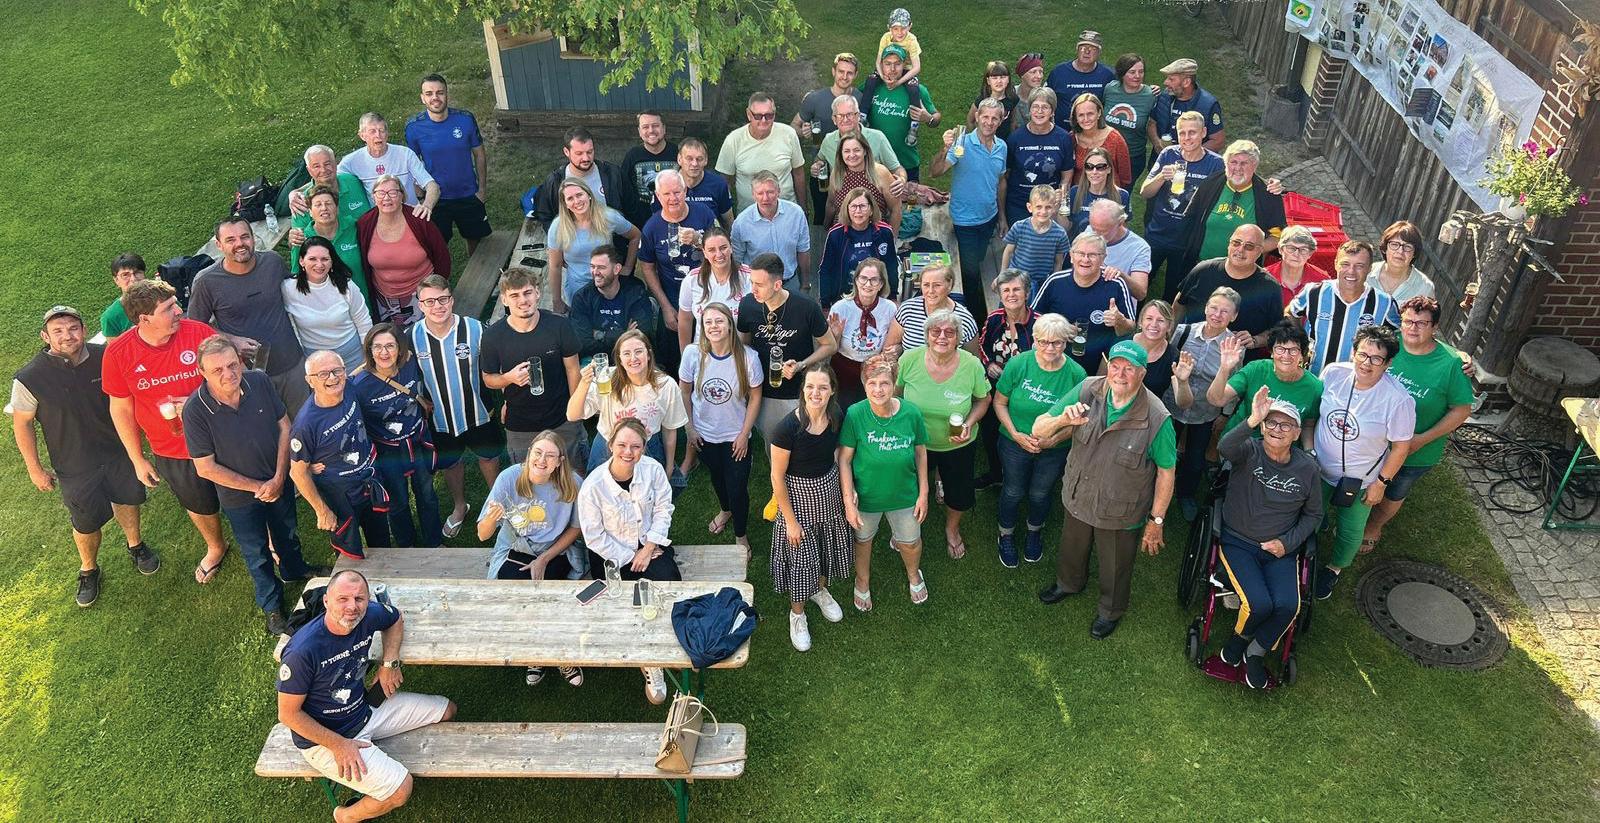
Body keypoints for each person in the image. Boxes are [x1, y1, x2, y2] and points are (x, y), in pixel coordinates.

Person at [276, 569, 457, 823]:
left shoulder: (368, 614)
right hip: (327, 740)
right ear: (326, 601)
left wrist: (390, 662)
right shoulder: (302, 652)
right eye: (342, 599)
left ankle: (371, 752)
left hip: (363, 709)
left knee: (447, 710)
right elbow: (288, 714)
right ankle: (345, 816)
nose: (352, 607)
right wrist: (339, 745)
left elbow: (395, 618)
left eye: (359, 599)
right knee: (401, 789)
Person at [12, 305, 157, 607]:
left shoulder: (106, 357)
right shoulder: (30, 377)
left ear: (83, 329)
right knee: (86, 521)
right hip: (74, 464)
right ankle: (89, 569)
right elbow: (22, 423)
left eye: (73, 328)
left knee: (128, 499)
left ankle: (136, 545)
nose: (67, 336)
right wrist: (34, 468)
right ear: (45, 336)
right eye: (58, 331)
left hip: (118, 452)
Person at [1034, 340, 1176, 639]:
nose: (1120, 374)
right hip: (1080, 494)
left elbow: (1166, 471)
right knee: (1072, 546)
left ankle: (1111, 610)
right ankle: (1069, 583)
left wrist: (1156, 520)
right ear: (1107, 365)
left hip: (1121, 509)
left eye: (1129, 369)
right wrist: (1062, 420)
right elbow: (1039, 428)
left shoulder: (1157, 417)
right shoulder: (1088, 388)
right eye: (1115, 366)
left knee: (1115, 564)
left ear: (1142, 373)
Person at [185, 335, 323, 635]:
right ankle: (272, 605)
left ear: (240, 361)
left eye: (232, 365)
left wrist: (279, 477)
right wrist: (259, 487)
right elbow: (205, 467)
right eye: (218, 370)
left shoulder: (259, 382)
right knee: (256, 552)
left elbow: (284, 426)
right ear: (202, 372)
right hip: (240, 498)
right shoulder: (195, 410)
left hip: (277, 480)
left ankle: (294, 569)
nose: (229, 374)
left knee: (287, 531)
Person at [102, 280, 227, 583]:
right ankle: (216, 546)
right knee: (198, 503)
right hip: (172, 449)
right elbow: (121, 409)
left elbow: (233, 378)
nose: (179, 311)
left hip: (223, 435)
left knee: (247, 489)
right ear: (144, 319)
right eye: (169, 308)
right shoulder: (118, 353)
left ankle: (270, 540)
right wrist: (137, 459)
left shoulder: (199, 334)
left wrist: (198, 402)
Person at [1215, 388, 1323, 688]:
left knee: (1288, 605)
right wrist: (1252, 419)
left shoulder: (1308, 469)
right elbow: (1224, 447)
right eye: (1271, 423)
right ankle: (1237, 642)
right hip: (1239, 542)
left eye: (1286, 425)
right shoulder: (1249, 451)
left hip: (1280, 550)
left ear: (1297, 433)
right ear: (1263, 427)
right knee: (1259, 604)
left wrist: (1287, 543)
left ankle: (1256, 650)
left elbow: (1314, 515)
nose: (1277, 429)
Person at [575, 417, 678, 704]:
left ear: (644, 447)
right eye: (622, 445)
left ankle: (656, 654)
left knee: (666, 589)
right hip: (611, 556)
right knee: (621, 605)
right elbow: (594, 537)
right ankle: (648, 660)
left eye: (635, 446)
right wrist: (633, 556)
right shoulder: (593, 486)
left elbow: (664, 509)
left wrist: (649, 547)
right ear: (610, 445)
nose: (628, 452)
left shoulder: (653, 470)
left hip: (649, 546)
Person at [1361, 297, 1473, 552]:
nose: (1413, 328)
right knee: (1367, 483)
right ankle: (1356, 520)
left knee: (1394, 492)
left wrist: (1422, 439)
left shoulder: (1451, 363)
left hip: (1417, 449)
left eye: (1421, 323)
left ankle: (1374, 526)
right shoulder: (1388, 346)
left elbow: (1462, 410)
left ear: (1435, 327)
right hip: (1374, 441)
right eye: (1408, 321)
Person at [1311, 326, 1415, 600]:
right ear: (1353, 352)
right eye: (1362, 354)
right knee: (1310, 515)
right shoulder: (1333, 373)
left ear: (1388, 363)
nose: (1366, 363)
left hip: (1361, 480)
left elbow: (1400, 447)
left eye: (1376, 359)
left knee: (1350, 530)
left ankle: (1334, 568)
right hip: (1318, 468)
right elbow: (1315, 412)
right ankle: (1305, 551)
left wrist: (1381, 484)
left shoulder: (1398, 400)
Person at [736, 254, 837, 521]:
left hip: (798, 392)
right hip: (764, 391)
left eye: (759, 284)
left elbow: (830, 345)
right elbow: (744, 345)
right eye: (751, 282)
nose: (753, 289)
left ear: (778, 284)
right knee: (773, 443)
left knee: (803, 442)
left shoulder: (805, 307)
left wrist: (802, 364)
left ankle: (801, 490)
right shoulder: (748, 305)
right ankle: (778, 492)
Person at [410, 276, 503, 538]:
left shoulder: (476, 329)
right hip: (439, 418)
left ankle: (497, 505)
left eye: (443, 299)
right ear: (420, 305)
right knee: (451, 463)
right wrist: (417, 398)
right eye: (430, 301)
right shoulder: (411, 337)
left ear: (451, 300)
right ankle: (460, 506)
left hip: (478, 412)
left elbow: (497, 364)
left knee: (488, 457)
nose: (437, 306)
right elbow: (403, 375)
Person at [769, 365, 854, 650]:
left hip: (828, 493)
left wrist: (847, 490)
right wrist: (791, 522)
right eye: (810, 387)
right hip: (798, 499)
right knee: (802, 559)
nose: (815, 393)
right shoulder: (786, 429)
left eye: (822, 387)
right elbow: (777, 477)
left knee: (825, 547)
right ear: (803, 390)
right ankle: (797, 614)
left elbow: (836, 453)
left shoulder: (836, 415)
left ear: (832, 391)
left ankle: (820, 590)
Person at [992, 313, 1087, 565]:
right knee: (1013, 490)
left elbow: (1078, 421)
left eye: (1057, 342)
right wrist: (1015, 434)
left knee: (1040, 493)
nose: (1050, 348)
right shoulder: (1018, 364)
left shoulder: (1076, 374)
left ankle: (1034, 531)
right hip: (1014, 441)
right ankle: (1006, 534)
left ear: (1066, 342)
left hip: (1055, 447)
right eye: (1043, 341)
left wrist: (1053, 441)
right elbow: (999, 403)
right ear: (1034, 340)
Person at [898, 310, 991, 560]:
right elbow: (896, 394)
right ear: (927, 335)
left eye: (949, 332)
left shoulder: (971, 365)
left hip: (957, 444)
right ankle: (904, 528)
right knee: (907, 487)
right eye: (935, 331)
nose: (942, 336)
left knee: (959, 492)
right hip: (916, 442)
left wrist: (969, 422)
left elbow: (983, 399)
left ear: (958, 338)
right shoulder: (909, 359)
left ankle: (952, 528)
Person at [190, 216, 309, 411]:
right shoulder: (206, 282)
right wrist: (231, 340)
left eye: (244, 237)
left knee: (304, 423)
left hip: (292, 365)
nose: (239, 244)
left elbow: (296, 293)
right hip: (247, 376)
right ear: (219, 245)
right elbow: (195, 328)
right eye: (231, 240)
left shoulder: (272, 262)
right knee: (267, 427)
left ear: (253, 238)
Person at [840, 356, 930, 609]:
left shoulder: (911, 413)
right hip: (867, 496)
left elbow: (920, 452)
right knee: (863, 540)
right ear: (864, 385)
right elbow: (844, 459)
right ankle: (862, 580)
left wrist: (924, 493)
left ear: (894, 384)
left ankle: (913, 574)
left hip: (904, 494)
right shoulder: (855, 414)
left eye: (884, 383)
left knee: (911, 542)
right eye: (872, 383)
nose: (878, 390)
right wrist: (849, 500)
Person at [290, 350, 393, 560]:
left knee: (381, 539)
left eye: (337, 370)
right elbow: (297, 473)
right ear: (310, 381)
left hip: (369, 480)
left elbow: (362, 369)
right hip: (340, 494)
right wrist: (321, 510)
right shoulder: (305, 424)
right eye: (323, 374)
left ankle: (386, 571)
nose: (332, 377)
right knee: (349, 551)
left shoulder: (350, 388)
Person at [349, 324, 442, 549]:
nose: (384, 353)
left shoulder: (409, 363)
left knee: (427, 494)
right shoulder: (359, 386)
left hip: (417, 440)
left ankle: (434, 542)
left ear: (400, 349)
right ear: (369, 350)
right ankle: (406, 546)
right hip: (387, 449)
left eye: (390, 346)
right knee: (398, 501)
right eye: (377, 347)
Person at [480, 267, 584, 465]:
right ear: (504, 300)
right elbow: (488, 379)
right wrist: (508, 378)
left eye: (527, 292)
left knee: (573, 473)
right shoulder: (493, 336)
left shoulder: (559, 325)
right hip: (520, 426)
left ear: (537, 293)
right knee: (527, 479)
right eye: (514, 295)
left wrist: (574, 411)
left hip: (562, 418)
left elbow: (573, 369)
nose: (523, 300)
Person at [680, 303, 763, 548]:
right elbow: (684, 392)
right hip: (705, 435)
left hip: (735, 436)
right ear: (702, 327)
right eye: (708, 322)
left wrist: (744, 434)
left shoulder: (748, 357)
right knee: (717, 477)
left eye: (719, 321)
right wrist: (690, 428)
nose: (713, 326)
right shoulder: (692, 354)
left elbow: (755, 396)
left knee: (737, 487)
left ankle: (740, 535)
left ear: (729, 325)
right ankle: (725, 510)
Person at [1163, 287, 1245, 520]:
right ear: (1206, 308)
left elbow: (1234, 384)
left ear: (1234, 316)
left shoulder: (1234, 348)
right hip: (1173, 404)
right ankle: (1157, 489)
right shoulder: (1183, 332)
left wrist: (1225, 414)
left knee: (1195, 456)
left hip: (1205, 411)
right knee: (1164, 449)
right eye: (1213, 308)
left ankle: (1186, 494)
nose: (1217, 315)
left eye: (1225, 311)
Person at [929, 98, 1008, 317]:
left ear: (1001, 121)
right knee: (971, 273)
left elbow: (1000, 181)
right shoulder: (961, 143)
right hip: (965, 220)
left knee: (979, 260)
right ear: (977, 117)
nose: (989, 122)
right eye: (985, 117)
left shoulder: (1002, 147)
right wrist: (945, 149)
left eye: (994, 118)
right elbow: (935, 172)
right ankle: (975, 317)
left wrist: (1002, 216)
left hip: (989, 217)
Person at [568, 329, 687, 473]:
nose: (633, 358)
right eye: (626, 353)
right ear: (620, 359)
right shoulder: (606, 379)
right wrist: (584, 384)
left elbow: (670, 430)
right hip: (608, 444)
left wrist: (669, 467)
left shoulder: (666, 385)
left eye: (638, 351)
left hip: (646, 445)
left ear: (649, 354)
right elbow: (572, 415)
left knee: (648, 486)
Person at [638, 169, 718, 373]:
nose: (673, 198)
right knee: (673, 358)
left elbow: (723, 252)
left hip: (707, 293)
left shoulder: (704, 214)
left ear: (685, 191)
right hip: (673, 297)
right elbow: (647, 267)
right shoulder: (652, 227)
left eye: (677, 192)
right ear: (658, 196)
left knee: (712, 351)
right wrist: (665, 306)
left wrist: (699, 241)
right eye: (667, 194)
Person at [1141, 111, 1225, 299]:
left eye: (1192, 132)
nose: (1187, 138)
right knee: (1142, 284)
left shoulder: (1216, 164)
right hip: (1158, 234)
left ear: (1204, 132)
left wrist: (1273, 187)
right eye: (1182, 133)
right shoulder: (1168, 154)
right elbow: (1145, 192)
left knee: (1174, 292)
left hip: (1188, 240)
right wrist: (1161, 176)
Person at [1287, 240, 1402, 375]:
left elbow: (1398, 335)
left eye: (1359, 266)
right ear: (1336, 264)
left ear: (1370, 268)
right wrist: (1299, 343)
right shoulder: (1314, 292)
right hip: (1313, 377)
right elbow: (1291, 313)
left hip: (1356, 383)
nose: (1351, 271)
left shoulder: (1385, 303)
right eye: (1345, 264)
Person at [405, 73, 490, 254]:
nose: (435, 97)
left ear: (447, 94)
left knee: (477, 242)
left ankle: (477, 268)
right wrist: (421, 196)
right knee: (437, 245)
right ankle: (442, 272)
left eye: (440, 92)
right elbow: (412, 164)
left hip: (468, 193)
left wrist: (482, 190)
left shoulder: (465, 119)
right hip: (437, 198)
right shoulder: (413, 127)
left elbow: (480, 154)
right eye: (429, 93)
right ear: (422, 98)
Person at [1029, 233, 1136, 374]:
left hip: (1100, 366)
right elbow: (1033, 316)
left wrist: (1119, 321)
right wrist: (1061, 327)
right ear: (1071, 256)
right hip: (1057, 359)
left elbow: (1130, 329)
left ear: (1103, 258)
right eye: (1080, 253)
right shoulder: (1055, 281)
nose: (1085, 259)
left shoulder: (1115, 284)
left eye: (1092, 255)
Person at [355, 174, 451, 329]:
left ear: (402, 196)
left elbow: (442, 257)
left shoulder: (418, 218)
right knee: (393, 339)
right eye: (381, 193)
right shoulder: (365, 223)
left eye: (393, 192)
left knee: (425, 335)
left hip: (422, 296)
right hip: (384, 300)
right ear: (373, 197)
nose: (387, 198)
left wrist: (437, 291)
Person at [1172, 224, 1284, 355]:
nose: (1240, 250)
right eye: (1236, 243)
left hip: (1239, 360)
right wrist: (1170, 336)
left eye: (1249, 246)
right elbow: (1179, 304)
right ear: (1229, 244)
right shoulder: (1203, 270)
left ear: (1260, 251)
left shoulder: (1269, 288)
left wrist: (1256, 340)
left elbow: (1278, 329)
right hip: (1189, 355)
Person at [1177, 140, 1284, 275]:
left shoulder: (1267, 195)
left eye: (1244, 163)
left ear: (1254, 166)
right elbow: (1189, 219)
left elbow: (1277, 236)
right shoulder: (1211, 184)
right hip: (1200, 265)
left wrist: (1252, 249)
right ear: (1226, 164)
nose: (1238, 168)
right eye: (1233, 162)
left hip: (1240, 272)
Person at [975, 270, 1038, 491]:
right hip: (996, 386)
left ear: (1027, 293)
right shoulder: (994, 319)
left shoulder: (1039, 323)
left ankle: (1023, 478)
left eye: (1017, 289)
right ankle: (996, 473)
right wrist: (989, 364)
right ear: (1001, 295)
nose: (1011, 294)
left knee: (1021, 432)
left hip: (1025, 389)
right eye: (1006, 290)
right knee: (991, 429)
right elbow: (981, 346)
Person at [1208, 320, 1322, 436]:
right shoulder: (1255, 369)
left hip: (1282, 444)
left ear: (1302, 355)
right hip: (1241, 440)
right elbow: (1216, 400)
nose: (1286, 356)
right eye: (1280, 349)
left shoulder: (1314, 387)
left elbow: (1308, 425)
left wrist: (1308, 448)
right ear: (1271, 352)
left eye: (1293, 350)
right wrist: (1224, 368)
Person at [546, 177, 641, 314]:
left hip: (609, 285)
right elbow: (555, 266)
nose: (577, 201)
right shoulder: (558, 226)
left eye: (579, 195)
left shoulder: (607, 216)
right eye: (570, 198)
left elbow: (635, 236)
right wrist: (557, 301)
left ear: (589, 195)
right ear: (565, 204)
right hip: (578, 289)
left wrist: (628, 268)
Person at [284, 237, 373, 372]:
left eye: (325, 259)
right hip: (317, 361)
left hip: (353, 356)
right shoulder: (288, 289)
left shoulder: (346, 285)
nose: (319, 265)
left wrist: (369, 355)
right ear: (301, 261)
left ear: (331, 262)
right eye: (312, 259)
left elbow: (363, 321)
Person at [795, 53, 864, 223]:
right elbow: (794, 126)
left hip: (853, 170)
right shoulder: (814, 99)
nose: (844, 76)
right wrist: (802, 132)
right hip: (823, 170)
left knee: (853, 215)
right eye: (841, 71)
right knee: (822, 216)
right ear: (833, 71)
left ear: (855, 75)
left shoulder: (860, 99)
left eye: (849, 73)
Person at [716, 92, 807, 213]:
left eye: (769, 115)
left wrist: (803, 209)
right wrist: (726, 215)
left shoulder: (788, 134)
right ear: (749, 114)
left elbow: (798, 173)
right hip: (750, 214)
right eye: (758, 116)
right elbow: (725, 181)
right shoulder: (733, 140)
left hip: (787, 211)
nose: (764, 120)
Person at [338, 112, 439, 216]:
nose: (378, 135)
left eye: (382, 130)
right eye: (372, 131)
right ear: (362, 136)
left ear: (387, 133)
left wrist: (426, 206)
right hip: (379, 219)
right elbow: (332, 180)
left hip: (409, 215)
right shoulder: (351, 161)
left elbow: (431, 185)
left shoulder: (405, 154)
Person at [827, 257, 897, 405]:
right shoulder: (840, 308)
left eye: (874, 280)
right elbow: (830, 350)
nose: (868, 284)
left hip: (875, 370)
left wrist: (896, 349)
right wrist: (836, 335)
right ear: (856, 281)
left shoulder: (890, 308)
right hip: (844, 368)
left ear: (881, 284)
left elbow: (895, 342)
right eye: (863, 278)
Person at [529, 126, 633, 225]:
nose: (586, 158)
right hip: (573, 236)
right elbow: (545, 215)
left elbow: (632, 209)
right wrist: (560, 236)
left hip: (613, 234)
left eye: (589, 152)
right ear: (566, 152)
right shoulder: (556, 181)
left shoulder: (614, 174)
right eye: (579, 153)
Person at [1002, 87, 1075, 227]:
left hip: (1049, 207)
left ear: (1052, 111)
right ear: (1029, 110)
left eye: (1045, 107)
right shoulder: (1015, 138)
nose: (1039, 111)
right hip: (1019, 206)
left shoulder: (1063, 138)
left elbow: (1067, 176)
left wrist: (1059, 202)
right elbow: (1006, 174)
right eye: (1035, 106)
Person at [866, 44, 940, 181]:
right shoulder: (871, 88)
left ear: (904, 65)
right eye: (888, 64)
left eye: (897, 64)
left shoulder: (917, 90)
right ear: (881, 65)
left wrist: (928, 118)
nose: (892, 69)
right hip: (876, 163)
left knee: (908, 195)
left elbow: (936, 118)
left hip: (907, 162)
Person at [571, 245, 658, 358]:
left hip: (632, 358)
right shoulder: (582, 298)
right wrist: (624, 334)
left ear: (617, 269)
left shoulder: (636, 293)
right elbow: (583, 344)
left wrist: (599, 335)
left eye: (601, 267)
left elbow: (641, 337)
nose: (595, 272)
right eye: (592, 267)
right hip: (597, 360)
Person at [731, 170, 812, 291]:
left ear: (778, 191)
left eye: (770, 192)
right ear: (753, 195)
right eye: (760, 193)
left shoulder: (796, 214)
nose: (765, 198)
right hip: (757, 286)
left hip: (789, 282)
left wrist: (805, 284)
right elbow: (737, 259)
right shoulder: (741, 222)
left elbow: (803, 250)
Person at [818, 188, 898, 306]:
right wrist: (825, 304)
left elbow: (891, 266)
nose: (858, 211)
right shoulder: (836, 234)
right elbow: (825, 270)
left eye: (862, 206)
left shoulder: (884, 232)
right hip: (844, 299)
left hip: (876, 298)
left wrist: (893, 296)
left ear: (871, 209)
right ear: (847, 209)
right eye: (853, 206)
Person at [815, 94, 908, 191]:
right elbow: (819, 159)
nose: (845, 119)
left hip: (872, 197)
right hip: (840, 196)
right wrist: (817, 165)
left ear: (858, 116)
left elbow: (896, 168)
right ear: (834, 119)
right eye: (840, 116)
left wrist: (902, 179)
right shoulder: (828, 140)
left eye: (850, 114)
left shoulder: (877, 137)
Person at [289, 186, 368, 297]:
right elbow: (296, 277)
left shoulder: (354, 227)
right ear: (310, 212)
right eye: (318, 205)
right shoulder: (302, 239)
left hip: (362, 298)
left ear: (337, 208)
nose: (324, 208)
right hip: (325, 304)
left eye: (328, 203)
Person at [676, 227, 748, 348]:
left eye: (723, 248)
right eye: (711, 250)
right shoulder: (692, 280)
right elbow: (685, 320)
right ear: (704, 253)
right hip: (703, 352)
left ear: (731, 248)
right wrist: (686, 355)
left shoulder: (749, 277)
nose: (719, 254)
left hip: (739, 352)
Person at [884, 264, 980, 351]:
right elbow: (888, 349)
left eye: (937, 285)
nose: (930, 291)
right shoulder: (907, 309)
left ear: (949, 285)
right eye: (926, 285)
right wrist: (897, 351)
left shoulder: (965, 320)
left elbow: (972, 360)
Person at [822, 134, 901, 234]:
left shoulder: (880, 173)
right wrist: (826, 228)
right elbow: (831, 204)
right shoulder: (837, 173)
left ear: (865, 151)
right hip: (843, 235)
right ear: (841, 154)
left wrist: (891, 238)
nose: (852, 155)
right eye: (847, 151)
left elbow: (895, 209)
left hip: (874, 234)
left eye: (856, 150)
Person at [1001, 185, 1071, 294]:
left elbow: (1058, 262)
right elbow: (1008, 251)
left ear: (1054, 208)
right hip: (1016, 277)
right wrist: (1002, 275)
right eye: (1039, 207)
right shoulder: (1019, 226)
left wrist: (1053, 283)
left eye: (1048, 207)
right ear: (1030, 207)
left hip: (1041, 281)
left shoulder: (1059, 234)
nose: (1043, 211)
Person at [1103, 53, 1160, 182]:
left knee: (1123, 192)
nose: (1137, 76)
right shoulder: (1110, 89)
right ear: (1122, 73)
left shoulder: (1151, 95)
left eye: (1141, 71)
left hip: (1133, 157)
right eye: (1132, 72)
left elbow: (1154, 123)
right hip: (1106, 153)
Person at [1150, 58, 1225, 154]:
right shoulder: (1165, 96)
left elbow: (1218, 141)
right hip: (1161, 160)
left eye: (1171, 79)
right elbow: (1152, 123)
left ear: (1186, 82)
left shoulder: (1208, 104)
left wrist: (1189, 155)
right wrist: (1157, 143)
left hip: (1193, 162)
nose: (1165, 82)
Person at [620, 110, 680, 228]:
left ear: (664, 128)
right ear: (639, 131)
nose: (651, 130)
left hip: (675, 220)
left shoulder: (677, 153)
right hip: (641, 223)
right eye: (645, 127)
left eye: (655, 126)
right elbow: (624, 190)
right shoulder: (632, 156)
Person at [286, 144, 373, 221]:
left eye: (327, 164)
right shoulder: (301, 202)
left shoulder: (353, 181)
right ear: (309, 170)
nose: (323, 170)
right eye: (316, 166)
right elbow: (299, 233)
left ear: (335, 164)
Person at [1047, 29, 1115, 123]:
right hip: (1063, 129)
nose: (1087, 52)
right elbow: (1046, 99)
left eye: (1093, 49)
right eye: (1083, 47)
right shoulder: (1058, 72)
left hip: (1093, 129)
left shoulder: (1108, 75)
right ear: (1077, 49)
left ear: (1099, 52)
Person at [1088, 199, 1152, 299]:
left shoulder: (1139, 248)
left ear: (1120, 223)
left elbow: (1141, 294)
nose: (1096, 235)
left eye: (1103, 231)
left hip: (1116, 303)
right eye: (1093, 229)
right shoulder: (1089, 231)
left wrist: (1120, 275)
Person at [1068, 93, 1132, 188]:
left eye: (1090, 114)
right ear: (1075, 118)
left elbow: (1125, 176)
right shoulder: (1071, 138)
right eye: (1081, 115)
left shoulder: (1115, 139)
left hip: (1109, 193)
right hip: (1079, 193)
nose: (1086, 119)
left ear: (1099, 113)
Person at [1065, 146, 1130, 236]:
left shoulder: (1122, 195)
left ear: (1109, 169)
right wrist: (1058, 209)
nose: (1094, 171)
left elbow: (1122, 231)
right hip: (1078, 243)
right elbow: (1066, 227)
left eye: (1100, 167)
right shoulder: (1075, 192)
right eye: (1089, 167)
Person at [673, 138, 735, 229]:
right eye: (689, 159)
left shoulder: (718, 185)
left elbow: (728, 220)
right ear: (679, 159)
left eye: (699, 159)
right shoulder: (667, 184)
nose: (694, 164)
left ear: (706, 160)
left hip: (710, 235)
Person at [1370, 220, 1437, 303]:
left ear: (1414, 253)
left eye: (1407, 247)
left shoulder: (1425, 288)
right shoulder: (1366, 274)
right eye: (1394, 244)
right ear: (1385, 248)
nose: (1400, 251)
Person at [1266, 225, 1327, 307]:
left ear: (1310, 254)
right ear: (1280, 249)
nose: (1296, 254)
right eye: (1291, 248)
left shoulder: (1322, 281)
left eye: (1303, 249)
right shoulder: (1264, 278)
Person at [1131, 300, 1180, 398]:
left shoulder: (1173, 356)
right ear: (1140, 322)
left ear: (1169, 326)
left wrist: (1183, 382)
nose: (1154, 324)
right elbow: (1102, 380)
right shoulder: (1122, 343)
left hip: (1149, 407)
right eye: (1149, 318)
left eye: (1161, 320)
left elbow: (1182, 402)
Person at [967, 60, 1019, 143]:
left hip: (1005, 141)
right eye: (994, 78)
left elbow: (1013, 120)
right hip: (984, 142)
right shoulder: (981, 100)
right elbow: (970, 120)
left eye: (1002, 77)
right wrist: (974, 141)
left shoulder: (1012, 98)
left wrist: (1012, 138)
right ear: (988, 81)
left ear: (1008, 79)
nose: (999, 81)